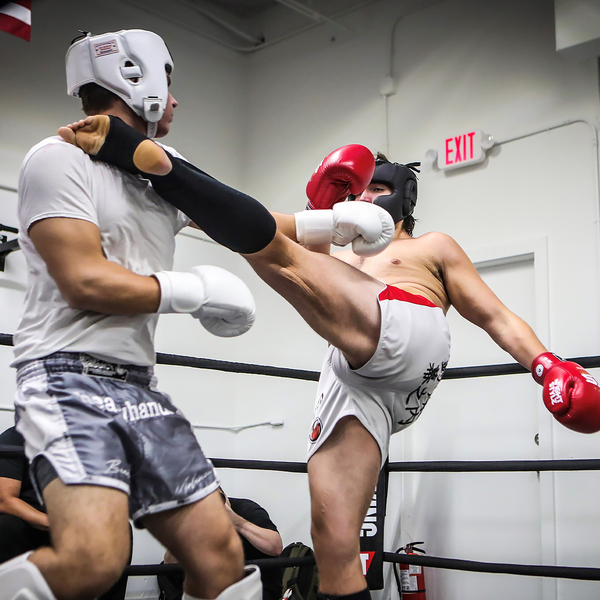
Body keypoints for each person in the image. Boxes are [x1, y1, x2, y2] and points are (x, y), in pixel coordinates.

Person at [56, 79, 600, 600]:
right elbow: (288, 249)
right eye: (360, 190)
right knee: (334, 542)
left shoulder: (431, 247)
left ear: (404, 199)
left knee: (270, 251)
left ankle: (151, 161)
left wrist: (549, 366)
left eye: (379, 189)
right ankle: (168, 185)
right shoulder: (340, 248)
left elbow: (496, 316)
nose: (367, 198)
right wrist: (308, 213)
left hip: (408, 332)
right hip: (358, 382)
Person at [0, 29, 265, 600]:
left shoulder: (162, 169)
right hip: (65, 377)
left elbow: (256, 223)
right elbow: (83, 281)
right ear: (134, 75)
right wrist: (193, 290)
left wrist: (334, 223)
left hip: (139, 386)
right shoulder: (57, 158)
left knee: (220, 557)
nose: (175, 99)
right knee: (95, 559)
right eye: (168, 81)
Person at [0, 425, 133, 599]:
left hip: (71, 523)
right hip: (29, 523)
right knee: (8, 525)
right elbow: (5, 501)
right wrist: (51, 522)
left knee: (119, 528)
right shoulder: (14, 438)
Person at [159, 487, 283, 600]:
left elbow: (275, 547)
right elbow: (169, 563)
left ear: (225, 496)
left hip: (255, 584)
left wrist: (237, 522)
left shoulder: (246, 509)